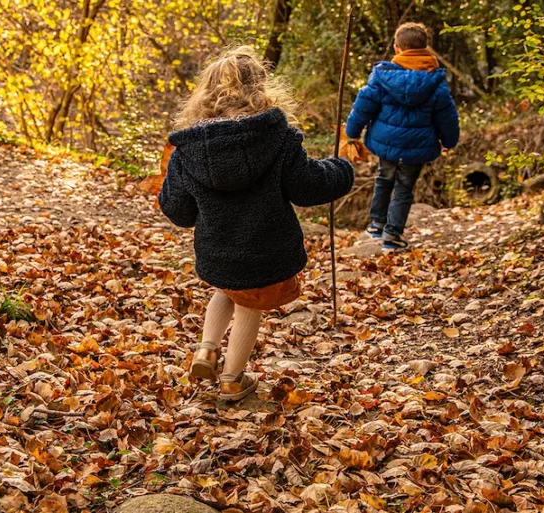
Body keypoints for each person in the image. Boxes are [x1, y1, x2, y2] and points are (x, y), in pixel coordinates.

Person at [159, 46, 354, 401]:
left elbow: (178, 210)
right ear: (261, 88)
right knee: (250, 303)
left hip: (217, 252)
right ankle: (232, 379)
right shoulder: (277, 138)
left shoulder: (187, 149)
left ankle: (206, 350)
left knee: (226, 290)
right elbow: (308, 187)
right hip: (266, 250)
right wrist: (340, 171)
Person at [345, 22, 460, 250]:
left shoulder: (383, 75)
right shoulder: (435, 81)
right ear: (425, 48)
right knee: (404, 188)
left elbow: (364, 106)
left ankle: (377, 223)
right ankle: (392, 235)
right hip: (417, 145)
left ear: (397, 49)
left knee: (384, 177)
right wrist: (449, 141)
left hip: (386, 140)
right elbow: (447, 116)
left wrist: (352, 132)